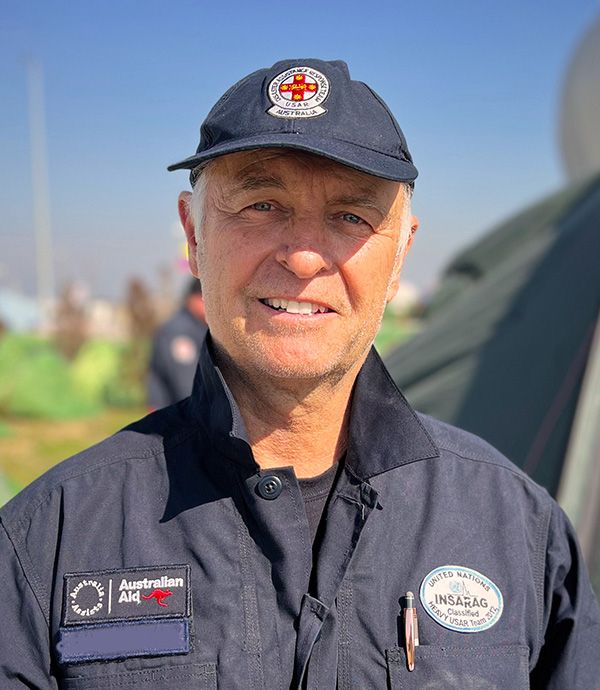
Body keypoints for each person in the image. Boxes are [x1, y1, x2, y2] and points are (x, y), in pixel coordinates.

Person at [0, 58, 599, 689]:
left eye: (351, 217)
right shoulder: (49, 542)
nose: (305, 255)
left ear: (401, 255)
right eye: (262, 204)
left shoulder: (521, 532)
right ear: (192, 234)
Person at [147, 278, 207, 409]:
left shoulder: (198, 326)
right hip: (176, 417)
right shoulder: (179, 332)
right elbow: (187, 387)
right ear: (196, 299)